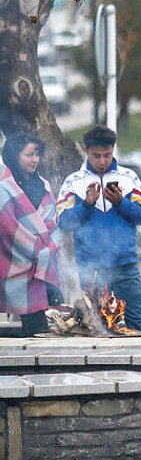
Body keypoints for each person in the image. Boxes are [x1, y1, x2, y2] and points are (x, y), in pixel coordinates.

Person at [57, 126, 141, 331]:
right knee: (96, 327)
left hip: (125, 265)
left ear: (113, 150)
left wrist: (121, 203)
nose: (102, 161)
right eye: (96, 156)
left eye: (107, 155)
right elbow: (64, 222)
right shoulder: (73, 182)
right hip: (91, 270)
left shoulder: (129, 178)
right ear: (86, 150)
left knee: (139, 325)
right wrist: (86, 206)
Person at [0, 134, 61, 336]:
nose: (35, 159)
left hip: (41, 267)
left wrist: (49, 248)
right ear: (13, 156)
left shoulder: (42, 185)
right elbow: (9, 227)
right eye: (29, 154)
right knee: (33, 327)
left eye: (36, 154)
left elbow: (53, 221)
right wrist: (39, 251)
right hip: (14, 261)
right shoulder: (4, 188)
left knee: (38, 327)